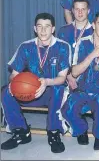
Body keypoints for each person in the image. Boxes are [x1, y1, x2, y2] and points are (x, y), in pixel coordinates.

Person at [1, 13, 71, 153]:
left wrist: (46, 82)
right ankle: (21, 132)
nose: (43, 30)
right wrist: (16, 83)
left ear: (53, 29)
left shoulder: (63, 46)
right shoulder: (25, 47)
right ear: (35, 28)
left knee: (59, 88)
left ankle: (53, 133)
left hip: (51, 91)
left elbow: (62, 78)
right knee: (6, 90)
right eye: (40, 26)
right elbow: (13, 75)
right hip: (30, 93)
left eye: (47, 27)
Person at [61, 11, 99, 150]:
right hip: (83, 89)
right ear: (93, 25)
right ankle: (81, 128)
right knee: (67, 110)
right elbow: (75, 72)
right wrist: (92, 55)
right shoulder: (82, 43)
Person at [57, 0, 93, 90]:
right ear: (72, 11)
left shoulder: (95, 31)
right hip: (65, 78)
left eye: (83, 9)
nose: (80, 12)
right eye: (77, 9)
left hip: (88, 79)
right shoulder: (63, 31)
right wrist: (69, 76)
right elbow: (59, 57)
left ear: (88, 11)